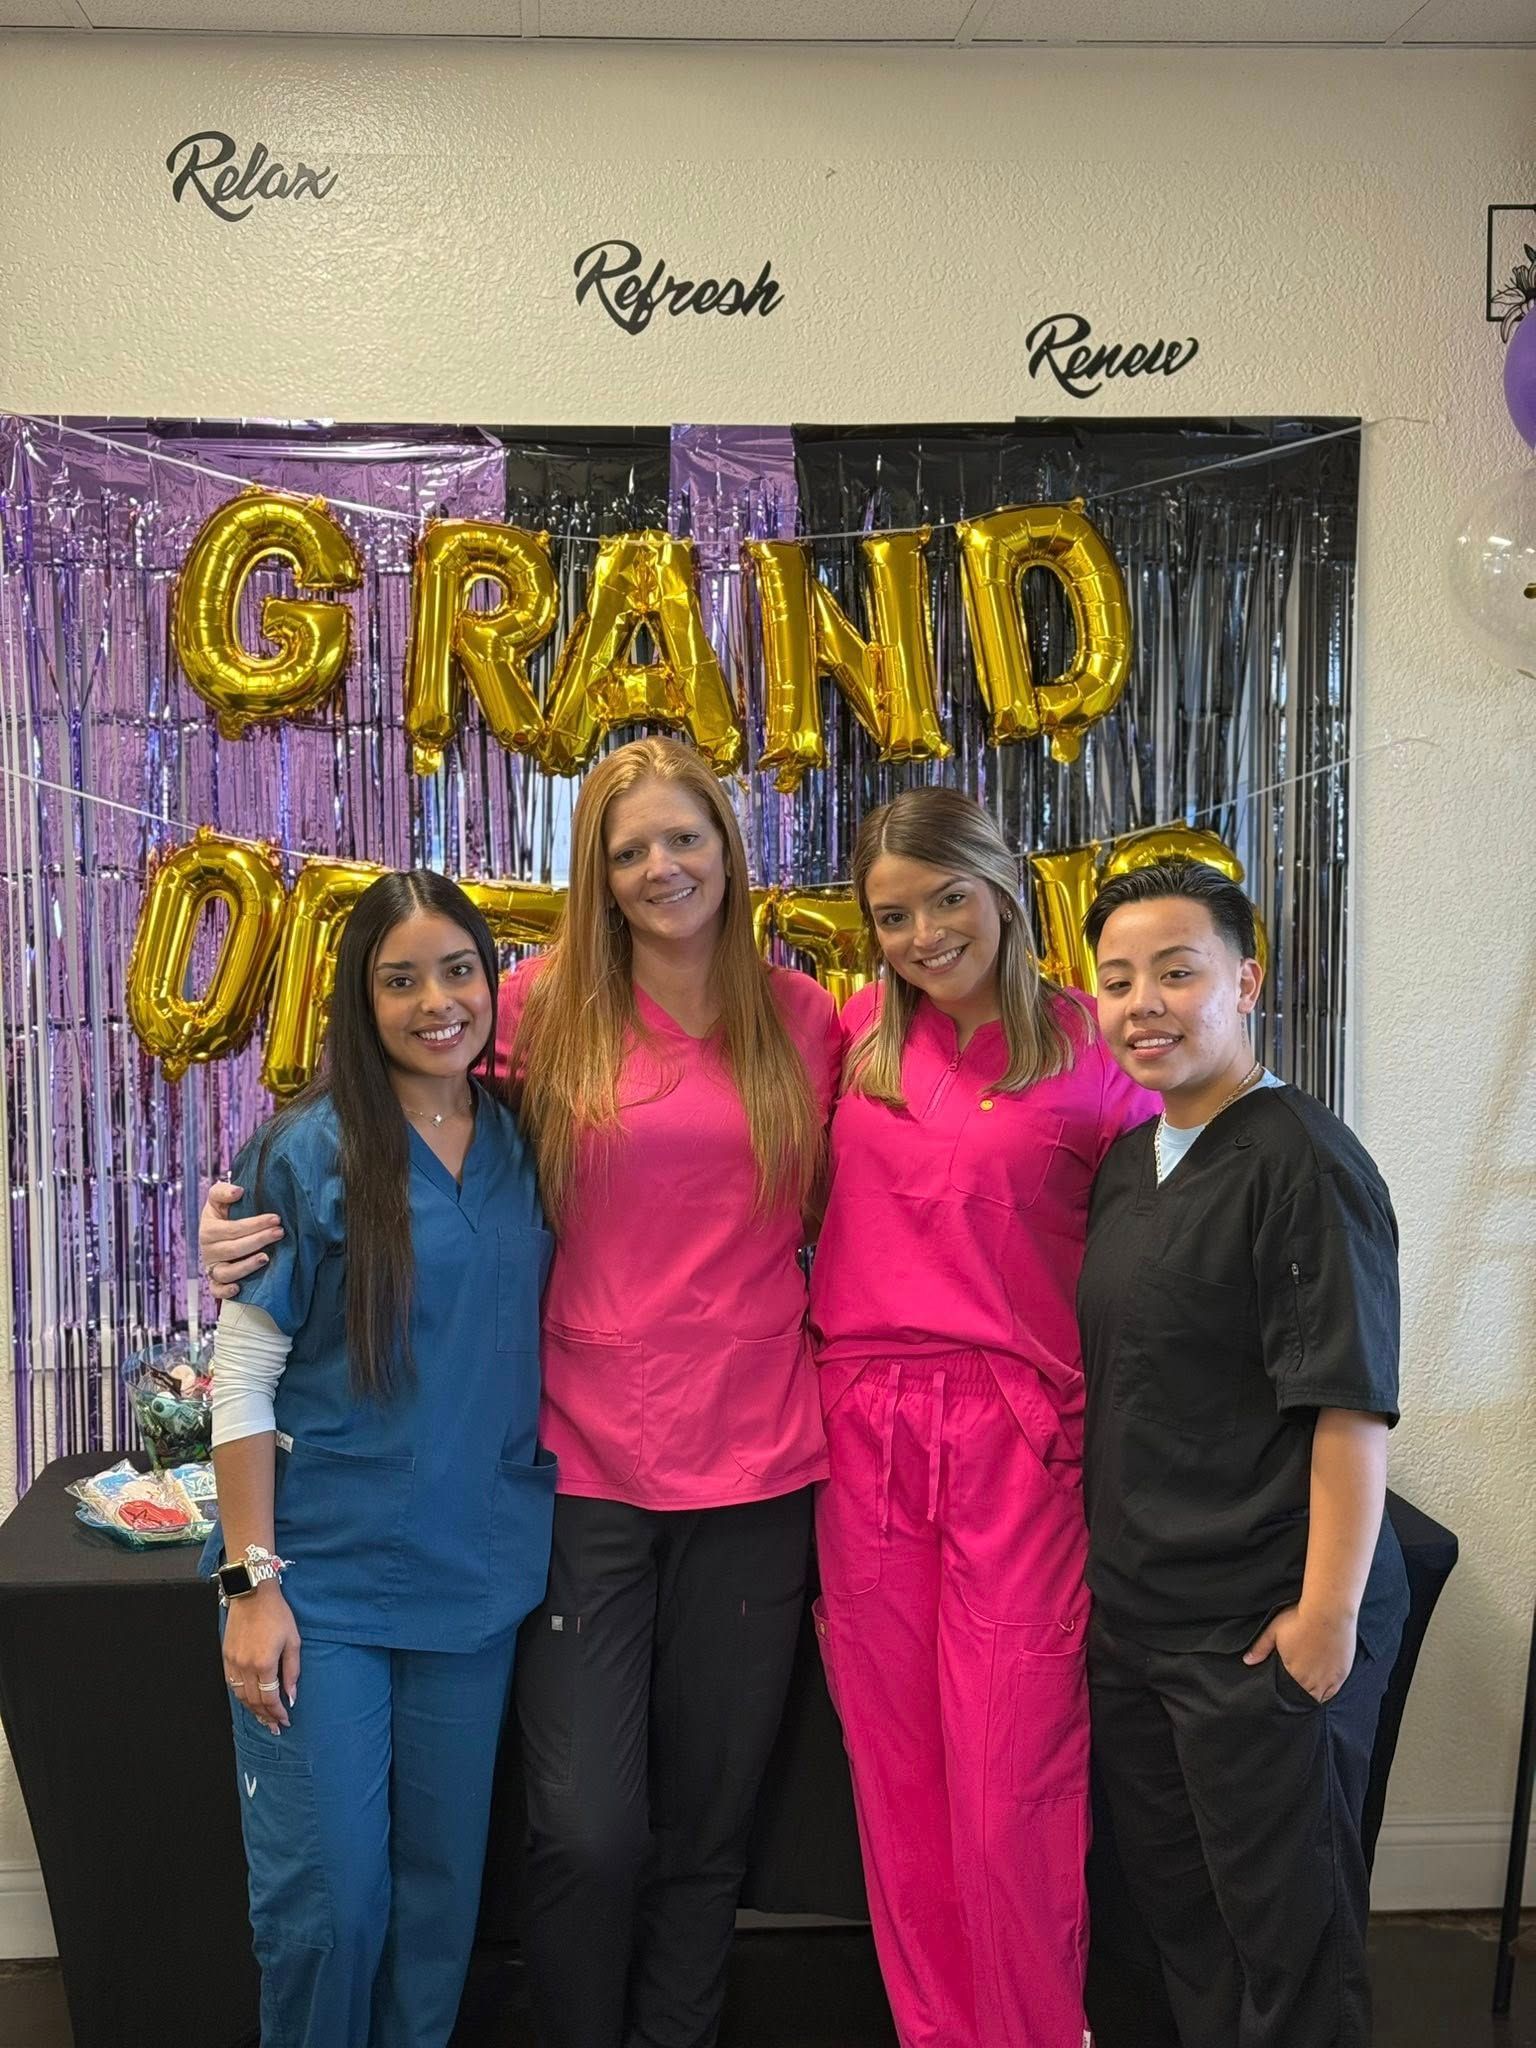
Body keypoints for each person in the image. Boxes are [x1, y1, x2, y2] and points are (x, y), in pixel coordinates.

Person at [203, 736, 841, 2048]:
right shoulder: (535, 1015)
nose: (662, 866)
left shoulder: (806, 1018)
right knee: (543, 1843)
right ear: (594, 879)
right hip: (570, 1483)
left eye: (684, 836)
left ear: (729, 842)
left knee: (604, 1855)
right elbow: (275, 1301)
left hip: (728, 1476)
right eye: (628, 849)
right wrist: (229, 1224)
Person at [807, 787, 1154, 2048]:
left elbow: (1188, 1213)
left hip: (1019, 1440)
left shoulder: (1100, 1054)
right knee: (898, 1779)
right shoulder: (847, 1039)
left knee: (1013, 1776)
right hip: (860, 1433)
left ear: (1002, 885)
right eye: (892, 914)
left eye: (947, 896)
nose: (924, 933)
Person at [203, 869, 555, 2048]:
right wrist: (249, 1585)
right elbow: (242, 1375)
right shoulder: (305, 1152)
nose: (436, 1001)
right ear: (360, 998)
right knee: (333, 1906)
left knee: (440, 1906)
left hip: (475, 1576)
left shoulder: (522, 1137)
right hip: (318, 1585)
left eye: (458, 970)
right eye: (399, 979)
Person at [1077, 858, 1407, 2048]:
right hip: (1140, 1622)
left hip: (1261, 1626)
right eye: (1118, 980)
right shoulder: (1130, 1160)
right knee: (1183, 1928)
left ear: (1247, 979)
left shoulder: (1303, 1160)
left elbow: (1351, 1404)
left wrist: (1327, 1620)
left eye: (1177, 970)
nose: (1143, 1002)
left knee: (1290, 1945)